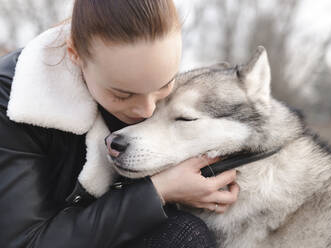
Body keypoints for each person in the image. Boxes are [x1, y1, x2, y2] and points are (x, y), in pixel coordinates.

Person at [0, 0, 240, 247]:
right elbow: (22, 242)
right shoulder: (11, 100)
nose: (147, 110)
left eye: (163, 85)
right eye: (123, 95)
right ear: (76, 54)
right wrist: (158, 191)